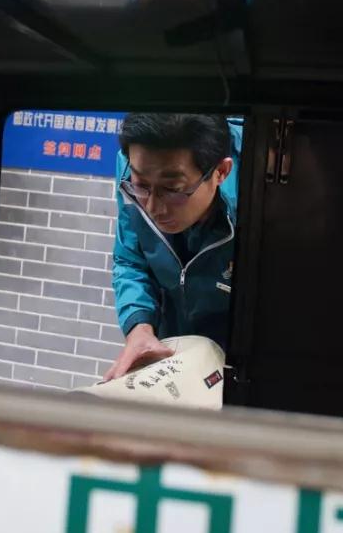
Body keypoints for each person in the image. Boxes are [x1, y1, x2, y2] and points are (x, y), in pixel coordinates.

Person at [103, 113, 241, 382]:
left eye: (172, 189)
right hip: (173, 345)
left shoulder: (261, 191)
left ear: (221, 172)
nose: (153, 207)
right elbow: (131, 259)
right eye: (142, 186)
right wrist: (139, 327)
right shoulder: (133, 167)